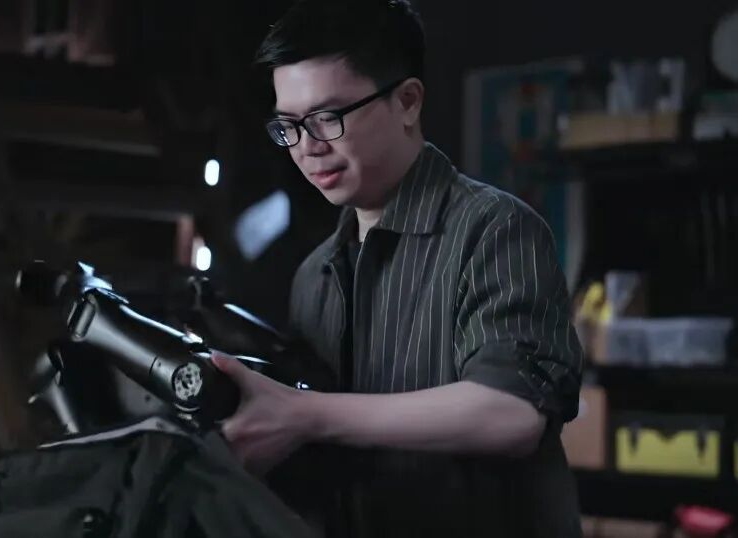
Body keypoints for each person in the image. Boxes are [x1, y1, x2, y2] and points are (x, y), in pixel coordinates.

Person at [210, 0, 585, 536]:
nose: (308, 148)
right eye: (289, 125)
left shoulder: (495, 229)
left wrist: (305, 413)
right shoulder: (315, 275)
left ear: (407, 101)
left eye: (327, 118)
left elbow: (512, 412)